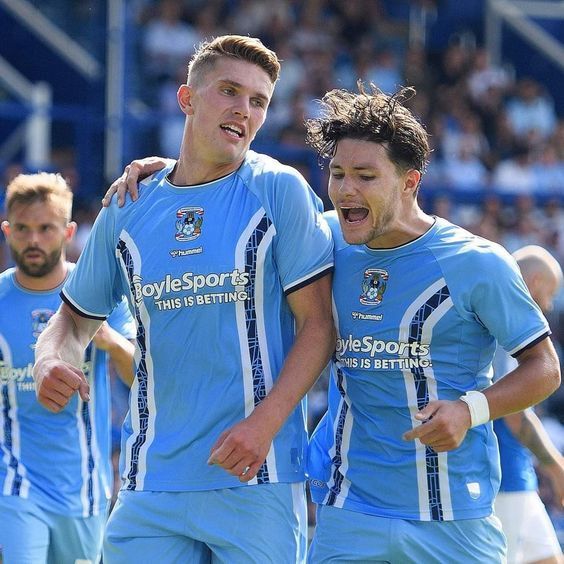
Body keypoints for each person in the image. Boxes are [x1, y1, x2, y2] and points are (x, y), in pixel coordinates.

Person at [34, 35, 334, 563]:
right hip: (152, 479)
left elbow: (319, 325)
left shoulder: (279, 190)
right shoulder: (129, 204)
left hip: (255, 475)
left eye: (259, 101)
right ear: (187, 99)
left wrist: (265, 424)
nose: (244, 110)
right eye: (229, 91)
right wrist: (48, 359)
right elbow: (73, 320)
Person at [302, 84, 560, 563]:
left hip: (454, 516)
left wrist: (470, 410)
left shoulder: (477, 262)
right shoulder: (324, 241)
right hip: (348, 512)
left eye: (364, 176)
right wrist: (168, 175)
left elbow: (544, 367)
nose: (345, 189)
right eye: (337, 174)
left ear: (409, 183)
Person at [0, 172, 135, 563]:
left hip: (84, 489)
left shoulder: (98, 291)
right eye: (23, 229)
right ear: (7, 230)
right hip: (13, 483)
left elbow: (139, 375)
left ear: (69, 230)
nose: (34, 240)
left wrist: (109, 339)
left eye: (46, 228)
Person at [493, 245, 564, 564]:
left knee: (548, 558)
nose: (548, 305)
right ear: (534, 282)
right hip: (502, 475)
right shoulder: (506, 326)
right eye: (549, 294)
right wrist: (555, 467)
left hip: (517, 474)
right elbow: (515, 415)